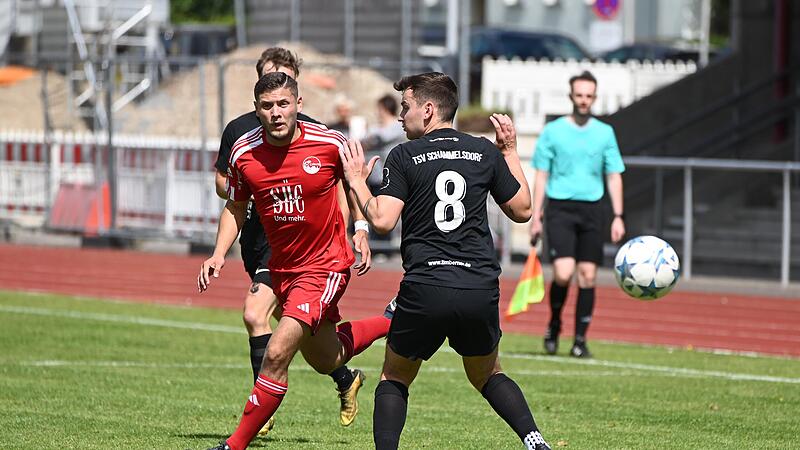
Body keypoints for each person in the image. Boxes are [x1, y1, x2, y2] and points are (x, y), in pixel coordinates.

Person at [339, 72, 552, 450]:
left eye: (405, 108)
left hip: (426, 287)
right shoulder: (484, 151)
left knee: (394, 377)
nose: (401, 116)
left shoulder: (404, 154)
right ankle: (535, 441)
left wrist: (356, 181)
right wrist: (510, 151)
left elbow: (384, 220)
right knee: (487, 374)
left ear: (428, 109)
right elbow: (522, 209)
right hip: (478, 286)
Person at [200, 72, 393, 450]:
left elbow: (352, 184)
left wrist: (360, 228)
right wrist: (218, 254)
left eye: (283, 104)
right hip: (282, 267)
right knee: (327, 358)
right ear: (256, 110)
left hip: (325, 266)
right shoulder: (244, 153)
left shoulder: (329, 143)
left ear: (299, 105)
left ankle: (233, 445)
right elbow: (236, 206)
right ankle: (391, 319)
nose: (276, 113)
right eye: (267, 106)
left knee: (276, 353)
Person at [529, 70, 626, 359]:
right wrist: (536, 216)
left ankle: (580, 340)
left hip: (593, 209)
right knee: (563, 272)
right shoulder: (553, 131)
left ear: (594, 98)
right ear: (571, 96)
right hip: (560, 207)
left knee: (588, 275)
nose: (584, 100)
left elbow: (614, 176)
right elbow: (541, 175)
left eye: (589, 96)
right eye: (579, 95)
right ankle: (554, 323)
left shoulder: (605, 133)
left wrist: (618, 215)